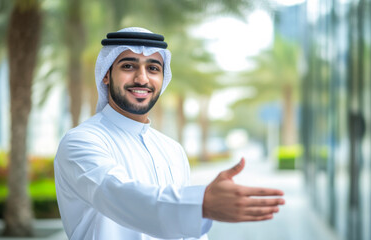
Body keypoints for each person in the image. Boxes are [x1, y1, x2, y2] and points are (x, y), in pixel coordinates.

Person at [54, 27, 285, 240]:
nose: (142, 78)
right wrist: (201, 204)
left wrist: (200, 207)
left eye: (153, 68)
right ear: (106, 74)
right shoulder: (81, 141)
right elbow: (118, 193)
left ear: (163, 79)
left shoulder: (172, 149)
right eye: (128, 66)